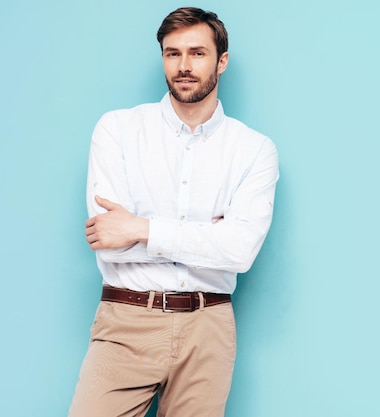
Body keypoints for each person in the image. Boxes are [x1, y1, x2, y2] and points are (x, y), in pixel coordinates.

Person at [68, 7, 279, 417]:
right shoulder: (118, 130)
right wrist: (207, 236)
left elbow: (240, 252)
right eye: (172, 53)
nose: (183, 66)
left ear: (222, 61)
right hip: (127, 319)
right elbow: (110, 244)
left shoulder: (254, 150)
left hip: (209, 327)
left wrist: (141, 228)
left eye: (197, 53)